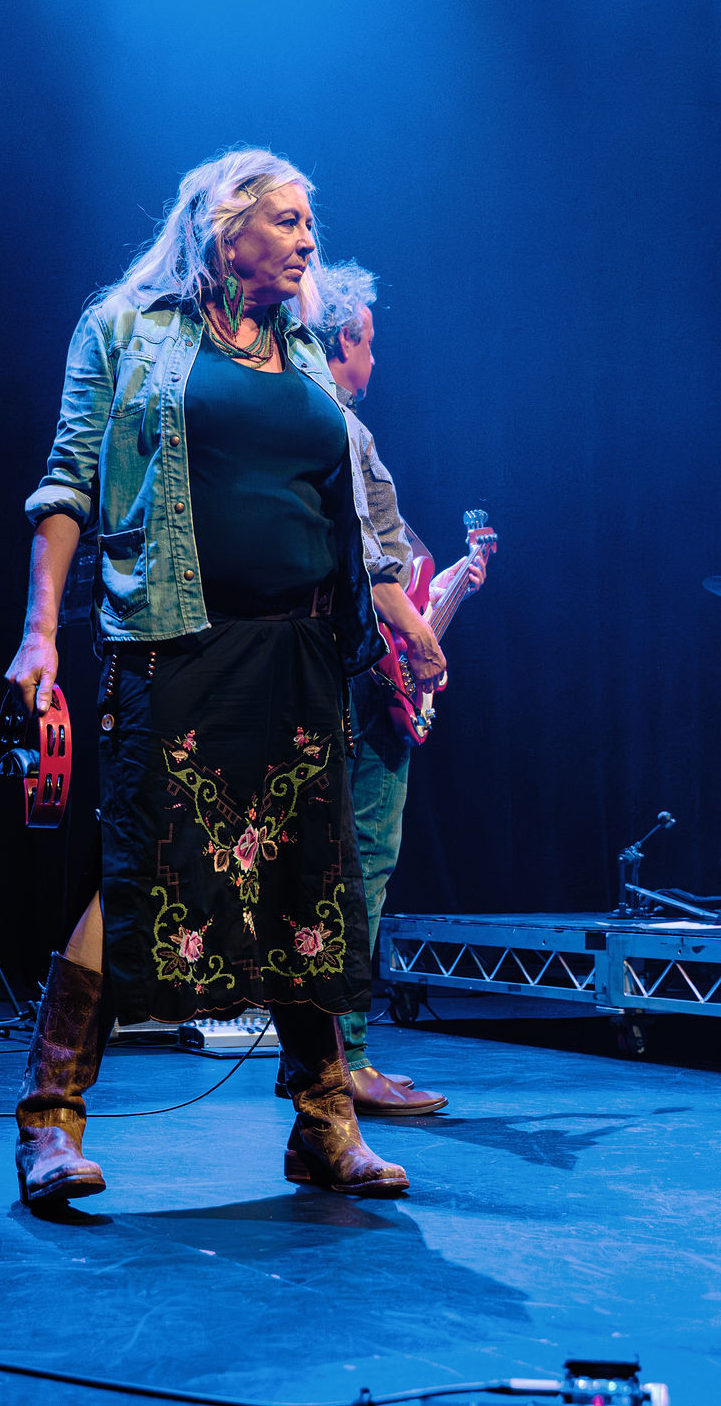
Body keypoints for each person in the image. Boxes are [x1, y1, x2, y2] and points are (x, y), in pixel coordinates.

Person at [5, 148, 411, 1207]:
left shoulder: (306, 349)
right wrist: (40, 634)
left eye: (308, 223)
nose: (308, 240)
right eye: (286, 220)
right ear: (225, 227)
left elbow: (351, 508)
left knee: (310, 881)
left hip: (302, 653)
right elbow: (67, 481)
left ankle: (323, 1125)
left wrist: (398, 623)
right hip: (176, 642)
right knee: (144, 871)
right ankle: (49, 1121)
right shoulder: (124, 328)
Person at [292, 259, 487, 1117]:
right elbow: (373, 582)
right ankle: (348, 1062)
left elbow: (396, 582)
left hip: (331, 676)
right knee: (361, 868)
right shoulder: (341, 427)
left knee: (331, 870)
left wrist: (444, 599)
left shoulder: (302, 421)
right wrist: (423, 642)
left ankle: (328, 1061)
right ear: (345, 339)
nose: (376, 358)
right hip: (359, 688)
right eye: (371, 341)